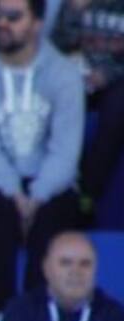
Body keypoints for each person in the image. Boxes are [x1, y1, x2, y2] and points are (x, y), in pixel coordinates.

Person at [0, 0, 84, 321]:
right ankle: (0, 318)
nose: (3, 24)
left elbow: (65, 151)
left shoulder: (63, 74)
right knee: (1, 217)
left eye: (14, 17)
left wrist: (37, 195)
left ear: (37, 23)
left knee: (49, 221)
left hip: (51, 181)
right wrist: (15, 194)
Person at [52, 0, 124, 209]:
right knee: (62, 101)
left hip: (117, 80)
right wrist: (74, 12)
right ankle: (64, 189)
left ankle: (88, 193)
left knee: (118, 107)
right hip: (79, 76)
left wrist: (108, 74)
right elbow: (57, 46)